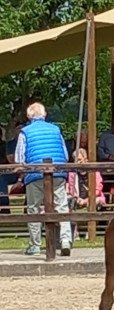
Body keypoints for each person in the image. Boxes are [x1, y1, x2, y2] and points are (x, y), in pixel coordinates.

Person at [15, 102, 72, 256]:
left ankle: (35, 245)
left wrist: (21, 174)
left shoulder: (25, 132)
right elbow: (65, 155)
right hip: (57, 172)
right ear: (45, 115)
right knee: (61, 206)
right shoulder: (56, 130)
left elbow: (19, 158)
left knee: (33, 208)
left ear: (28, 116)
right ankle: (66, 240)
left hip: (35, 174)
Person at [0, 119, 26, 214]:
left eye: (22, 128)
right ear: (15, 130)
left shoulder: (27, 142)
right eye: (18, 128)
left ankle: (28, 209)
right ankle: (4, 205)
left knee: (31, 178)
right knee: (2, 177)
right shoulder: (10, 144)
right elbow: (11, 159)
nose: (20, 130)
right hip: (14, 171)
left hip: (26, 170)